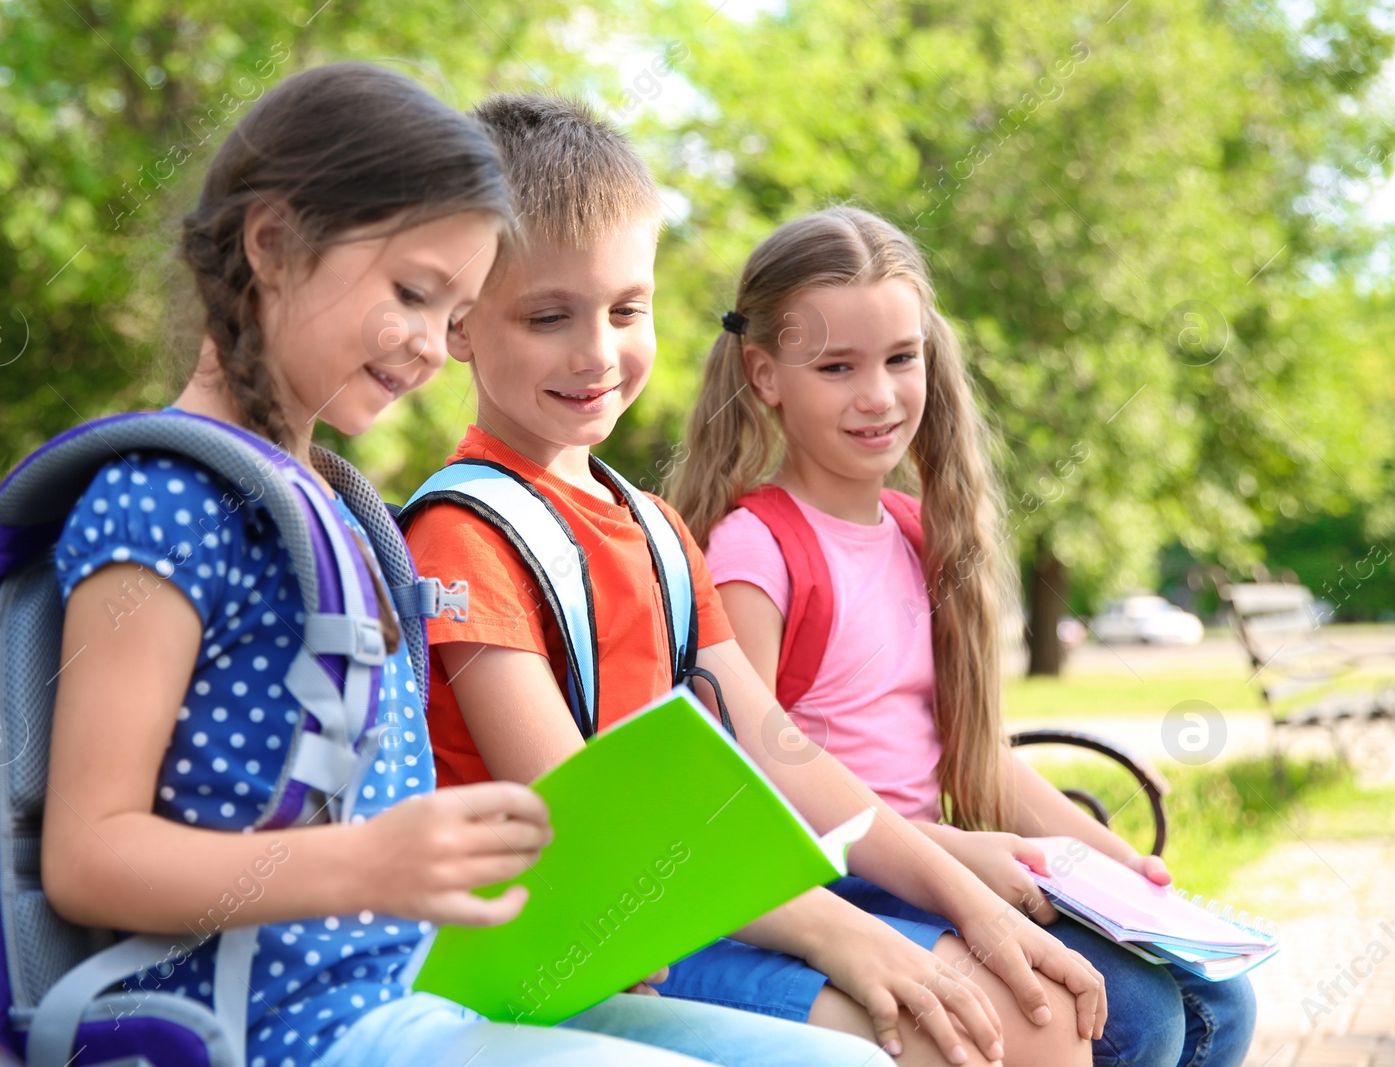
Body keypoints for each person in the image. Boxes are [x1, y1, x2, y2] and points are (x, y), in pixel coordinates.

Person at [40, 62, 891, 1067]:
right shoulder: (165, 499)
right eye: (414, 294)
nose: (434, 348)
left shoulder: (338, 510)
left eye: (452, 311)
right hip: (259, 1031)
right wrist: (370, 862)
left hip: (425, 991)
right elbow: (88, 856)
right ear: (272, 245)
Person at [402, 92, 1109, 1067]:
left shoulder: (652, 529)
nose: (596, 352)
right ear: (460, 324)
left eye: (625, 309)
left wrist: (961, 894)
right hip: (562, 958)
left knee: (1037, 1016)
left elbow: (781, 755)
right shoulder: (463, 535)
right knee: (983, 1039)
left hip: (683, 914)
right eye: (547, 315)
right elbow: (588, 824)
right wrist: (839, 931)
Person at [667, 205, 1257, 1067]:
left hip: (927, 868)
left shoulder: (913, 534)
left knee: (1219, 998)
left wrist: (1116, 861)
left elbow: (967, 753)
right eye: (837, 367)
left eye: (901, 359)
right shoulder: (755, 549)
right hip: (838, 882)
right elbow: (751, 782)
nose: (879, 395)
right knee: (1135, 1016)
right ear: (765, 375)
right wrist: (957, 853)